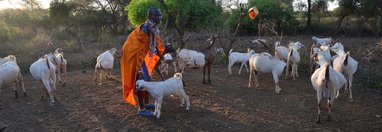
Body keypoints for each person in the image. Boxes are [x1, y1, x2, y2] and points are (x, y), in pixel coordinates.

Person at [120, 7, 166, 116]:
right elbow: (141, 47)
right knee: (141, 80)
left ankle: (146, 104)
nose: (160, 17)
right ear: (150, 16)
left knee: (147, 79)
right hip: (133, 56)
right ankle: (141, 109)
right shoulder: (146, 28)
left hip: (139, 55)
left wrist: (161, 57)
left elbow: (152, 46)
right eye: (157, 15)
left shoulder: (152, 28)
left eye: (160, 15)